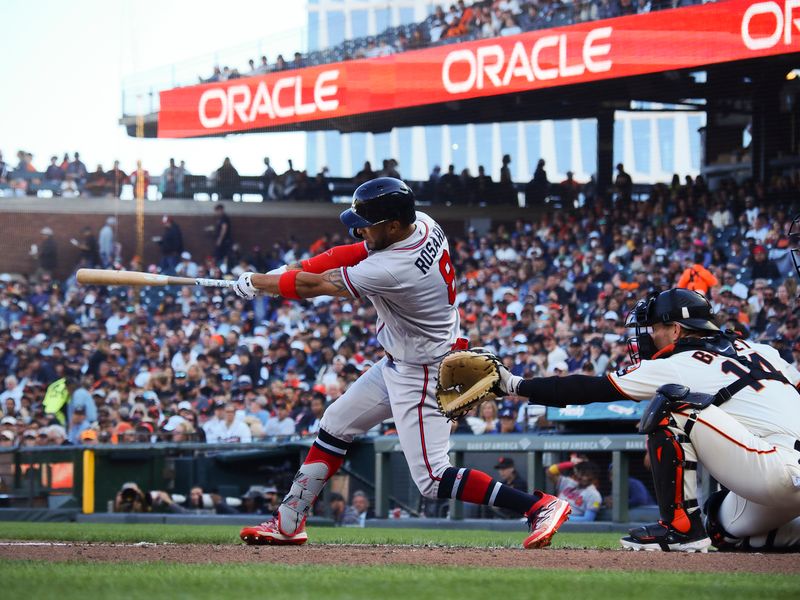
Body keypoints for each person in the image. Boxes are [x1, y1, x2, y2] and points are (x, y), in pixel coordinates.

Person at [236, 177, 570, 548]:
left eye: (368, 223)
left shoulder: (394, 266)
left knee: (431, 478)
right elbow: (349, 252)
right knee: (335, 423)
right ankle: (288, 521)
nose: (361, 229)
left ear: (393, 225)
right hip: (404, 358)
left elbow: (315, 287)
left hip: (425, 370)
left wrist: (261, 283)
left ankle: (537, 505)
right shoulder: (421, 223)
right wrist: (287, 270)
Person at [485, 287, 800, 552]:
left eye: (654, 329)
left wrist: (514, 385)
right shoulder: (762, 350)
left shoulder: (679, 362)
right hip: (777, 470)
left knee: (671, 403)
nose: (648, 336)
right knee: (720, 526)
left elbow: (589, 389)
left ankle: (680, 531)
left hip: (776, 471)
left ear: (676, 329)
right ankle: (704, 529)